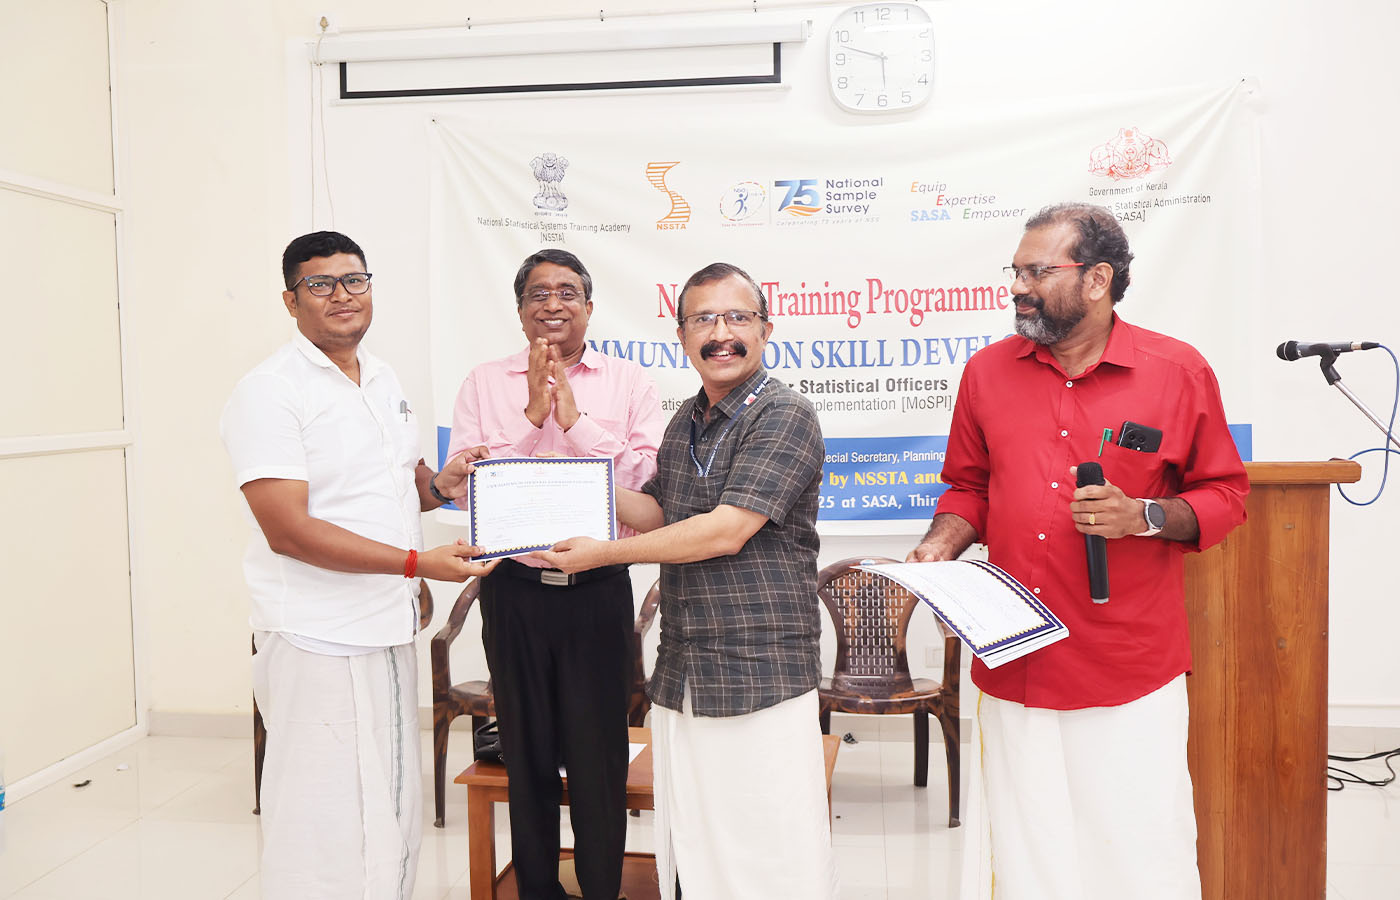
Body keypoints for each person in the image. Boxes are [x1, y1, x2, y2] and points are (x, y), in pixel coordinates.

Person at [907, 203, 1249, 900]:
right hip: (1015, 660)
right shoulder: (987, 373)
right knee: (1027, 853)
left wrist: (1143, 516)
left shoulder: (1177, 371)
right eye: (1015, 271)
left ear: (1097, 280)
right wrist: (939, 546)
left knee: (1135, 852)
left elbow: (1225, 495)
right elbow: (969, 487)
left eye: (1037, 272)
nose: (1018, 287)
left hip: (1126, 664)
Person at [535, 262, 840, 900]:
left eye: (737, 317)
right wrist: (565, 478)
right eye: (703, 319)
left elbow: (725, 530)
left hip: (758, 667)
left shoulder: (784, 413)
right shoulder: (686, 421)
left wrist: (603, 553)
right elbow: (658, 511)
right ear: (681, 336)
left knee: (769, 847)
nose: (721, 333)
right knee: (696, 847)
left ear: (765, 330)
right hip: (686, 668)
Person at [221, 231, 497, 899]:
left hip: (387, 627)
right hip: (318, 635)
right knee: (321, 819)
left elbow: (400, 484)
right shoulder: (269, 392)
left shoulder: (382, 377)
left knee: (391, 806)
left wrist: (442, 485)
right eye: (320, 284)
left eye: (355, 280)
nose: (342, 295)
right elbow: (288, 531)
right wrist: (416, 563)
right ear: (291, 300)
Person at [446, 249, 662, 900]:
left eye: (567, 292)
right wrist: (531, 417)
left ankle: (600, 888)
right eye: (538, 294)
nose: (553, 304)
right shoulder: (485, 383)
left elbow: (646, 487)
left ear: (589, 308)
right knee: (527, 751)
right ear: (520, 312)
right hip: (514, 592)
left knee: (599, 754)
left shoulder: (629, 383)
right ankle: (538, 889)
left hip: (597, 589)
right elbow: (466, 488)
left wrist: (575, 419)